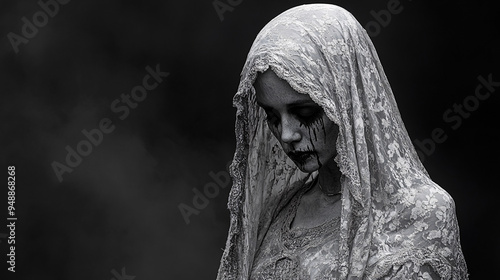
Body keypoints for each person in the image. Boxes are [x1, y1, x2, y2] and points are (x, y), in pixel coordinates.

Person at [217, 4, 468, 279]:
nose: (287, 134)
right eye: (273, 116)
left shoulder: (421, 215)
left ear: (346, 102)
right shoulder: (277, 211)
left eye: (305, 113)